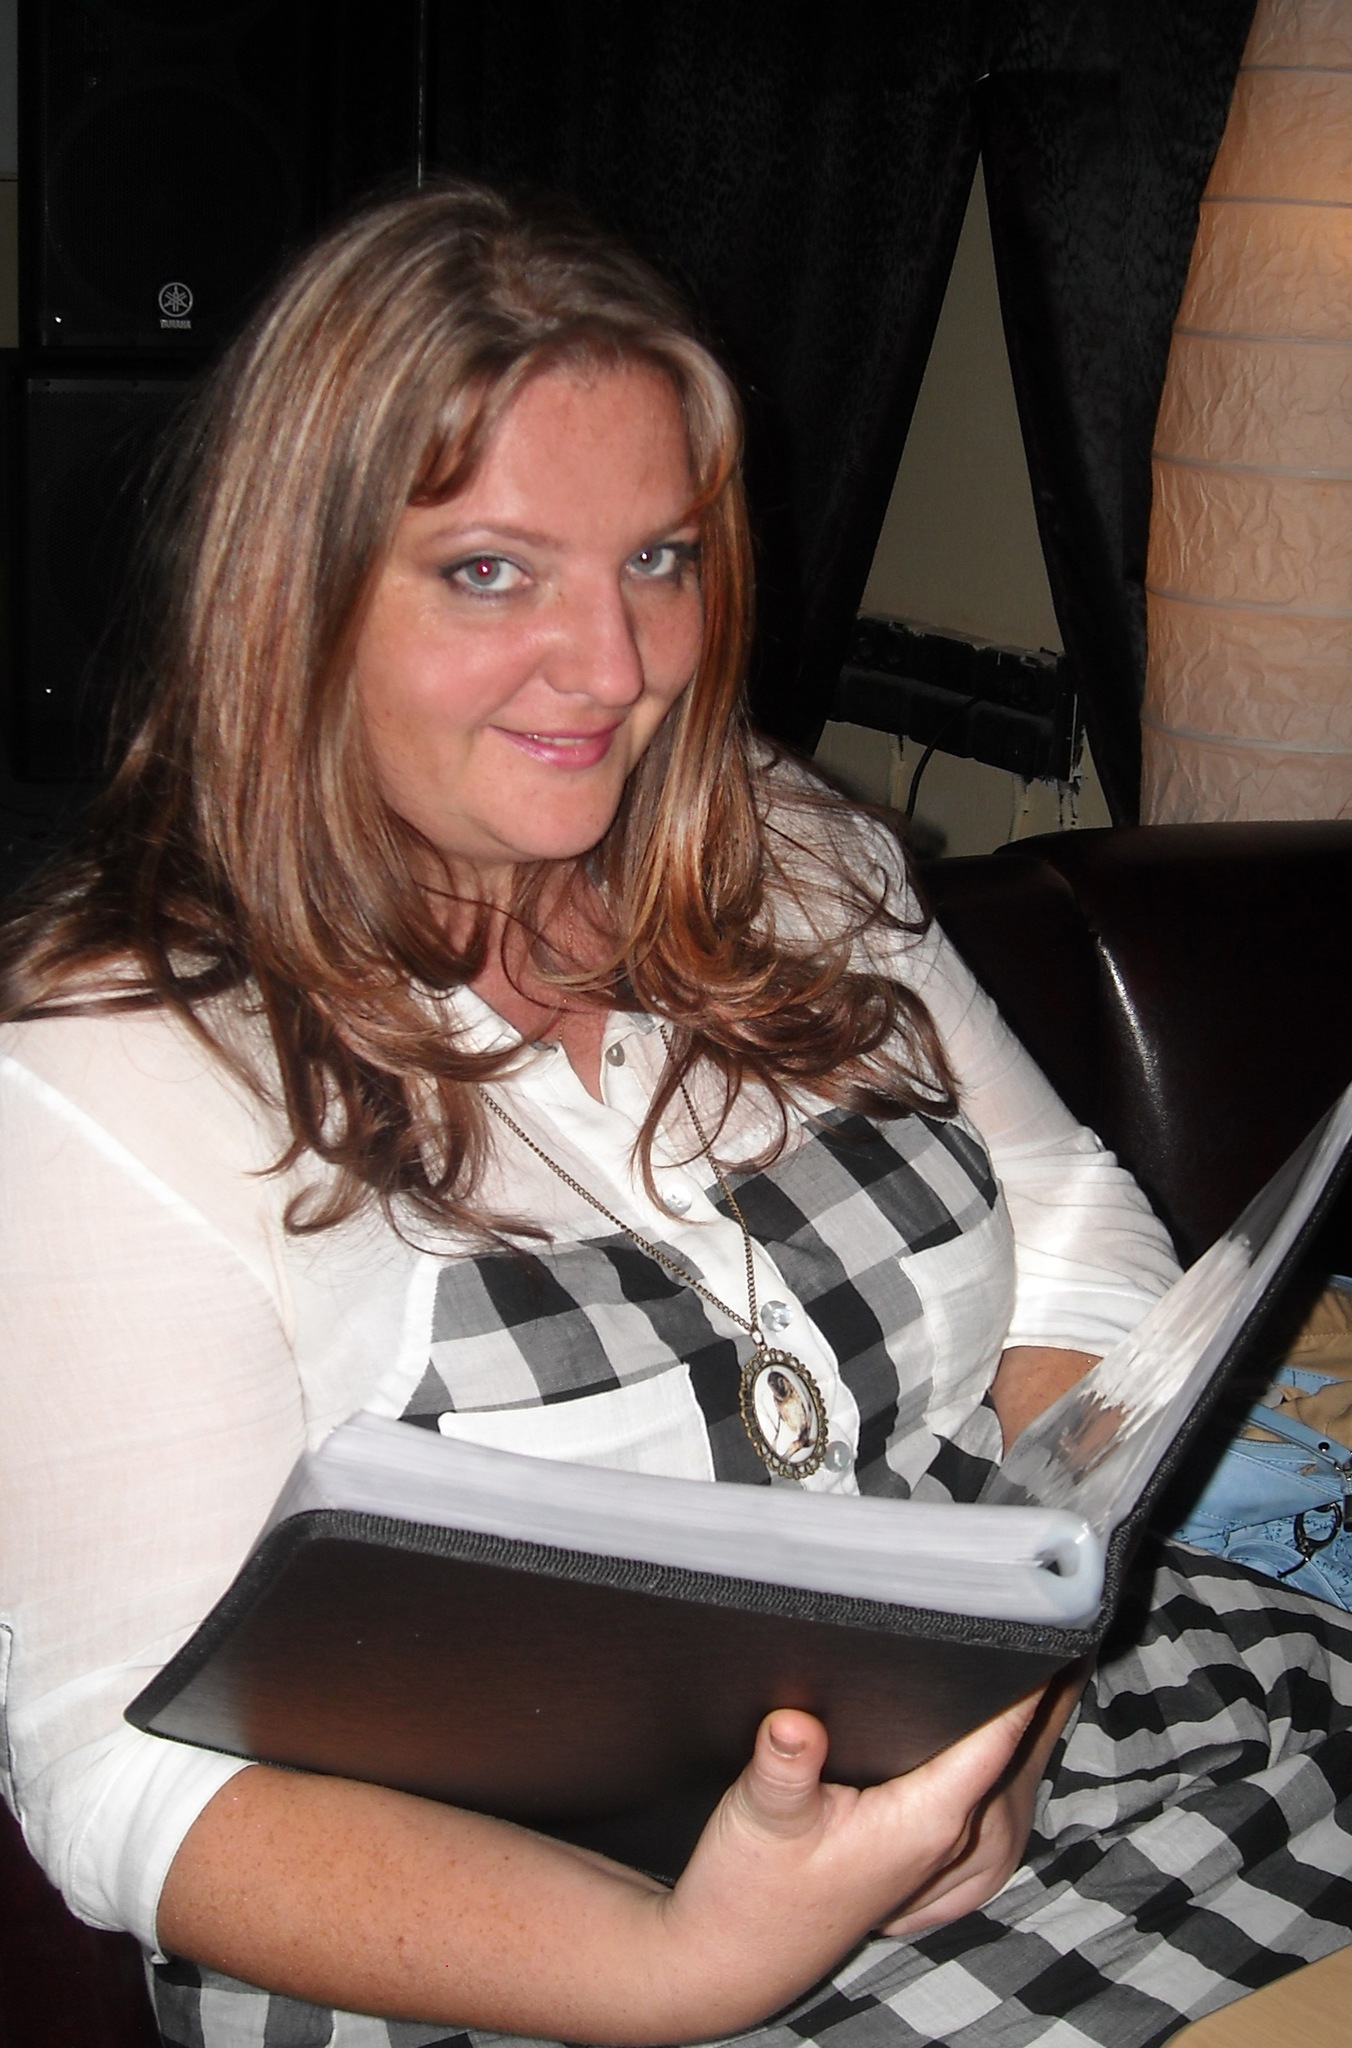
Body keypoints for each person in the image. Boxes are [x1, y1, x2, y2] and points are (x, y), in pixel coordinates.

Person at [1, 181, 1349, 2048]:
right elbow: (116, 1772)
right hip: (522, 1947)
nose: (618, 667)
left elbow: (1062, 1215)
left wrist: (1013, 1678)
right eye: (491, 571)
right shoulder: (116, 1073)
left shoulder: (776, 845)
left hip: (1039, 1754)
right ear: (289, 598)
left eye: (659, 558)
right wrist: (691, 1962)